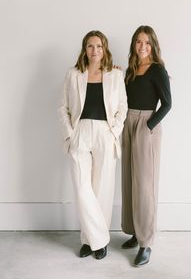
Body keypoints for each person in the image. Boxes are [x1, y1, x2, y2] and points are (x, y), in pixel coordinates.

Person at [58, 30, 127, 260]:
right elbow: (63, 107)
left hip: (105, 134)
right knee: (82, 187)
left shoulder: (115, 75)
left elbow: (122, 108)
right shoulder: (73, 74)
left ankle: (90, 241)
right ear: (84, 49)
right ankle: (99, 239)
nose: (94, 50)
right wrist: (70, 134)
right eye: (90, 46)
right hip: (81, 133)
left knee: (102, 189)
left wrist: (113, 132)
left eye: (99, 46)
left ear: (104, 48)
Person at [121, 25, 172, 267]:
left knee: (145, 185)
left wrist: (148, 125)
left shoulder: (157, 70)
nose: (142, 47)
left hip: (145, 125)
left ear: (153, 45)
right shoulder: (131, 69)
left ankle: (146, 242)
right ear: (134, 44)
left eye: (147, 43)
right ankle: (135, 231)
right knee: (130, 180)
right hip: (127, 122)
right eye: (139, 42)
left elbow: (167, 104)